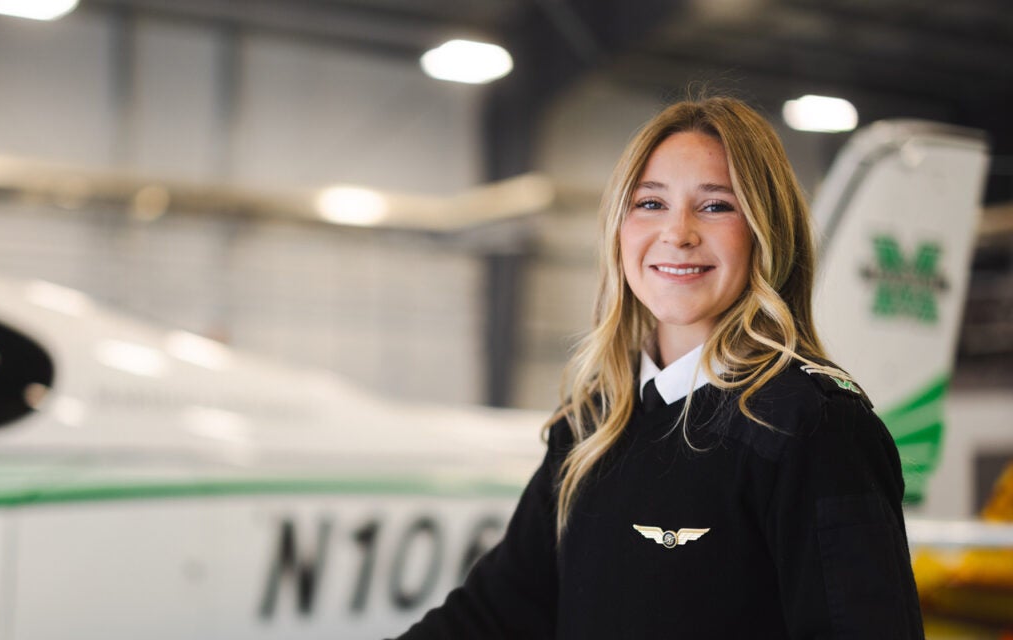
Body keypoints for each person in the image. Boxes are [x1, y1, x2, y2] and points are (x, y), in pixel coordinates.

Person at [394, 96, 923, 638]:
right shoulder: (594, 423)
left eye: (715, 206)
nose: (678, 233)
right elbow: (495, 615)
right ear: (618, 229)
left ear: (766, 230)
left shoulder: (813, 427)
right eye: (651, 203)